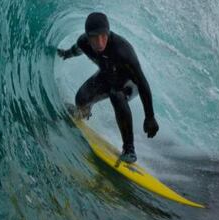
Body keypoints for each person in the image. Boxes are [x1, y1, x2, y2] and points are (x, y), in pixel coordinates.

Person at [57, 12, 159, 163]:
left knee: (116, 95)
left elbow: (143, 83)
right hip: (108, 75)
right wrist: (67, 53)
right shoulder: (84, 42)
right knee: (81, 99)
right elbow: (77, 49)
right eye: (94, 37)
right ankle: (83, 113)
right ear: (87, 36)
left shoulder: (123, 51)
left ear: (108, 32)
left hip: (130, 84)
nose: (99, 42)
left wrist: (149, 117)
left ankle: (129, 149)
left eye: (103, 36)